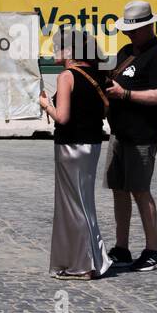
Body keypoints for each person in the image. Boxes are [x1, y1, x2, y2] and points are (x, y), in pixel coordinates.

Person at [103, 0, 157, 272]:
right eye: (127, 31)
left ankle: (153, 251)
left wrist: (126, 94)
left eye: (134, 30)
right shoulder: (124, 52)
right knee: (119, 190)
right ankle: (122, 247)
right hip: (119, 133)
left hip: (142, 135)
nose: (129, 35)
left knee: (140, 191)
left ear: (149, 26)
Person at [38, 26, 111, 280]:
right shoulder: (96, 74)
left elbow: (63, 116)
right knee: (84, 203)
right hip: (92, 145)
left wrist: (46, 104)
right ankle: (90, 259)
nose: (54, 51)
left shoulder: (66, 76)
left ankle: (82, 265)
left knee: (72, 206)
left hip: (70, 146)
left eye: (57, 47)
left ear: (69, 51)